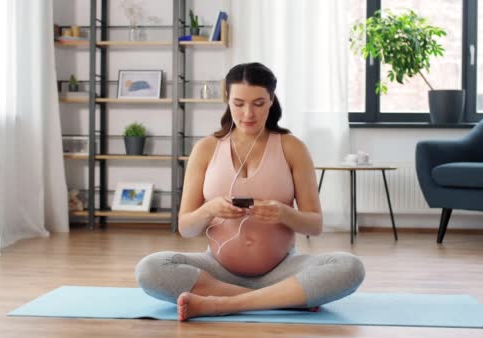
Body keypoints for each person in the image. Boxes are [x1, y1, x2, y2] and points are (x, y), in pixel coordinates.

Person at [136, 62, 365, 321]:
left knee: (350, 267)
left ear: (271, 101)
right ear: (227, 100)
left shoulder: (293, 147)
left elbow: (315, 225)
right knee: (150, 269)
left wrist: (283, 213)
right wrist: (210, 209)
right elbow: (186, 228)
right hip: (217, 271)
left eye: (258, 103)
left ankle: (221, 304)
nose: (248, 114)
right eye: (239, 103)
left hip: (283, 270)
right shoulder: (206, 149)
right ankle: (282, 299)